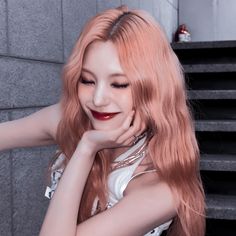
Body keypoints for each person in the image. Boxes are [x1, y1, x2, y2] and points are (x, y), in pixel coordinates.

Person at [0, 5, 205, 236]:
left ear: (154, 89)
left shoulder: (160, 187)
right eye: (87, 80)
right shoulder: (72, 119)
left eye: (118, 84)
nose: (97, 100)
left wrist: (86, 149)